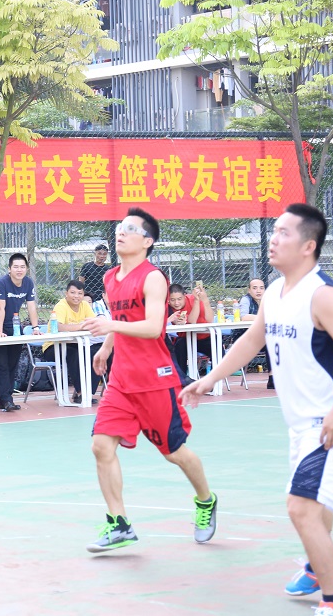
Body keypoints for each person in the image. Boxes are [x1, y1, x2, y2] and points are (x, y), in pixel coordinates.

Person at [182, 204, 333, 616]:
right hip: (300, 424)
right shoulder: (277, 291)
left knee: (299, 507)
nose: (273, 238)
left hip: (329, 423)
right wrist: (211, 378)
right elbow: (251, 340)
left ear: (308, 246)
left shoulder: (324, 296)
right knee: (315, 508)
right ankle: (318, 570)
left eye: (283, 232)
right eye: (275, 231)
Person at [80, 208, 217, 553]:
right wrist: (107, 348)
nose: (121, 233)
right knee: (100, 445)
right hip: (121, 382)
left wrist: (109, 328)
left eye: (130, 229)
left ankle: (206, 500)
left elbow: (154, 326)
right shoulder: (111, 278)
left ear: (148, 241)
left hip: (156, 380)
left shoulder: (153, 277)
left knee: (175, 453)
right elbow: (122, 317)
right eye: (119, 228)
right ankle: (119, 523)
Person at [0, 253, 41, 412]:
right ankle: (6, 399)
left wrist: (36, 327)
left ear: (27, 269)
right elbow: (0, 309)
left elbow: (31, 307)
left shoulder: (28, 283)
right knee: (1, 365)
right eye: (15, 267)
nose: (19, 270)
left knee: (12, 364)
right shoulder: (1, 283)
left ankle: (6, 399)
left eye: (22, 267)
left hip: (15, 327)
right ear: (9, 269)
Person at [44, 280, 100, 404]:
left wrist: (82, 326)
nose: (76, 296)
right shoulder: (61, 306)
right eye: (73, 293)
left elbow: (93, 323)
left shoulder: (85, 305)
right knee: (74, 355)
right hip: (53, 346)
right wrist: (81, 326)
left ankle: (88, 393)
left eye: (80, 293)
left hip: (77, 345)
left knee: (97, 355)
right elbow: (59, 326)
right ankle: (80, 393)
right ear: (66, 293)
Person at [168, 281, 214, 386]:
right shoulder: (170, 308)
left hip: (204, 337)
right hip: (185, 339)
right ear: (168, 300)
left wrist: (204, 300)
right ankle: (182, 382)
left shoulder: (193, 298)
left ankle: (213, 382)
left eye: (179, 299)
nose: (176, 303)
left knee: (217, 346)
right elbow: (192, 321)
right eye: (172, 300)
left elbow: (210, 319)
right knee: (179, 346)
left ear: (184, 296)